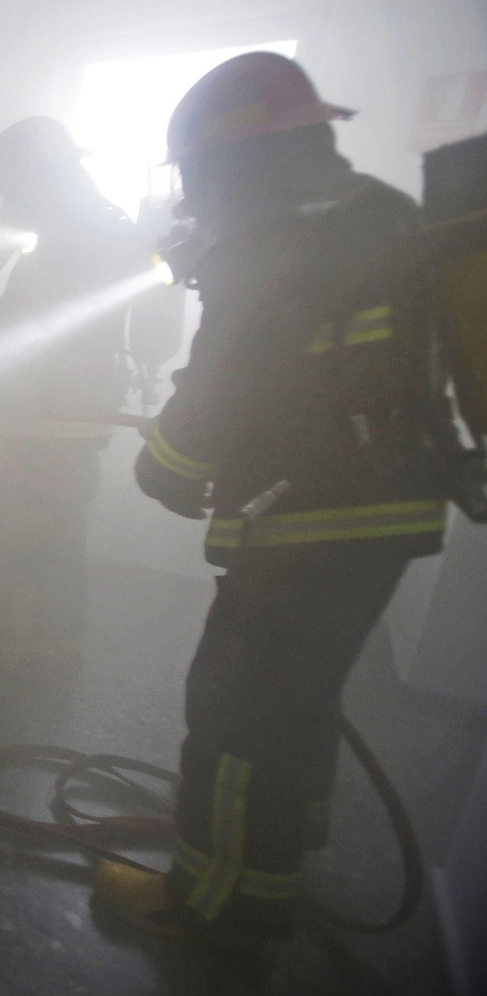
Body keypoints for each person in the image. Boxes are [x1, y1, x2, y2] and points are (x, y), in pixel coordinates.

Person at [92, 52, 452, 944]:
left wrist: (165, 468)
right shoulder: (379, 214)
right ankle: (283, 847)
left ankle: (218, 905)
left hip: (306, 518)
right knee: (300, 696)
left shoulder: (271, 239)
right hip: (389, 509)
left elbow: (225, 381)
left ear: (226, 160)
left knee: (235, 712)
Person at [0, 117, 146, 669]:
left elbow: (37, 323)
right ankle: (41, 639)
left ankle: (24, 647)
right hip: (55, 406)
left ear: (34, 180)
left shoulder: (77, 239)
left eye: (8, 189)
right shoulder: (83, 229)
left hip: (54, 409)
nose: (4, 202)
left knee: (31, 528)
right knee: (51, 526)